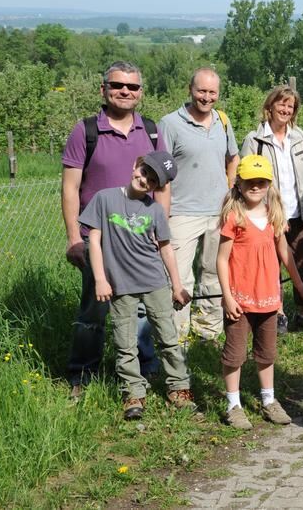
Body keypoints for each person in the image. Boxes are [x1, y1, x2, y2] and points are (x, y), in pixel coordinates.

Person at [61, 60, 162, 398]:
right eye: (118, 85)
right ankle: (82, 374)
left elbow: (162, 184)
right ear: (103, 89)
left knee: (143, 310)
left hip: (141, 242)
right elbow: (70, 188)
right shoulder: (86, 131)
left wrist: (160, 227)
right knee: (94, 310)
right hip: (98, 241)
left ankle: (143, 371)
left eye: (132, 87)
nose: (125, 91)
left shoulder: (150, 131)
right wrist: (74, 237)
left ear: (140, 93)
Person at [79, 151, 194, 420]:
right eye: (144, 172)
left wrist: (176, 285)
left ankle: (179, 387)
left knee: (167, 337)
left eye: (153, 181)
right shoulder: (104, 199)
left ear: (157, 187)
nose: (145, 181)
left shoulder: (154, 210)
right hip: (120, 286)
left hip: (154, 281)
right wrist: (100, 279)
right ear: (135, 165)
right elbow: (94, 242)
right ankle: (133, 392)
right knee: (125, 341)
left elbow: (165, 248)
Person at [217, 155, 303, 429]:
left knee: (266, 354)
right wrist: (227, 296)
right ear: (239, 184)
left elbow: (285, 253)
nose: (256, 187)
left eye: (261, 182)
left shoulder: (274, 216)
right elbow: (222, 259)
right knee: (235, 355)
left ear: (269, 184)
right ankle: (233, 405)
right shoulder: (234, 217)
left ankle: (269, 400)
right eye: (250, 182)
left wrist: (298, 284)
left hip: (269, 299)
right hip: (240, 300)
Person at [158, 68, 239, 341]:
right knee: (179, 278)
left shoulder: (223, 122)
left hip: (219, 212)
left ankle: (208, 333)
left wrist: (230, 191)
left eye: (212, 92)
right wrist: (162, 212)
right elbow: (161, 169)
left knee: (215, 273)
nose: (206, 97)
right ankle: (177, 338)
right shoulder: (169, 123)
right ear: (190, 89)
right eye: (201, 91)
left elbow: (233, 158)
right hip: (181, 212)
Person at [241, 85, 303, 334]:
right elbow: (243, 179)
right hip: (267, 215)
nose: (286, 109)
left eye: (291, 106)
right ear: (270, 106)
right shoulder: (255, 140)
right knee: (270, 266)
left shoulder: (302, 138)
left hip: (298, 213)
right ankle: (277, 314)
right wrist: (264, 213)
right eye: (282, 104)